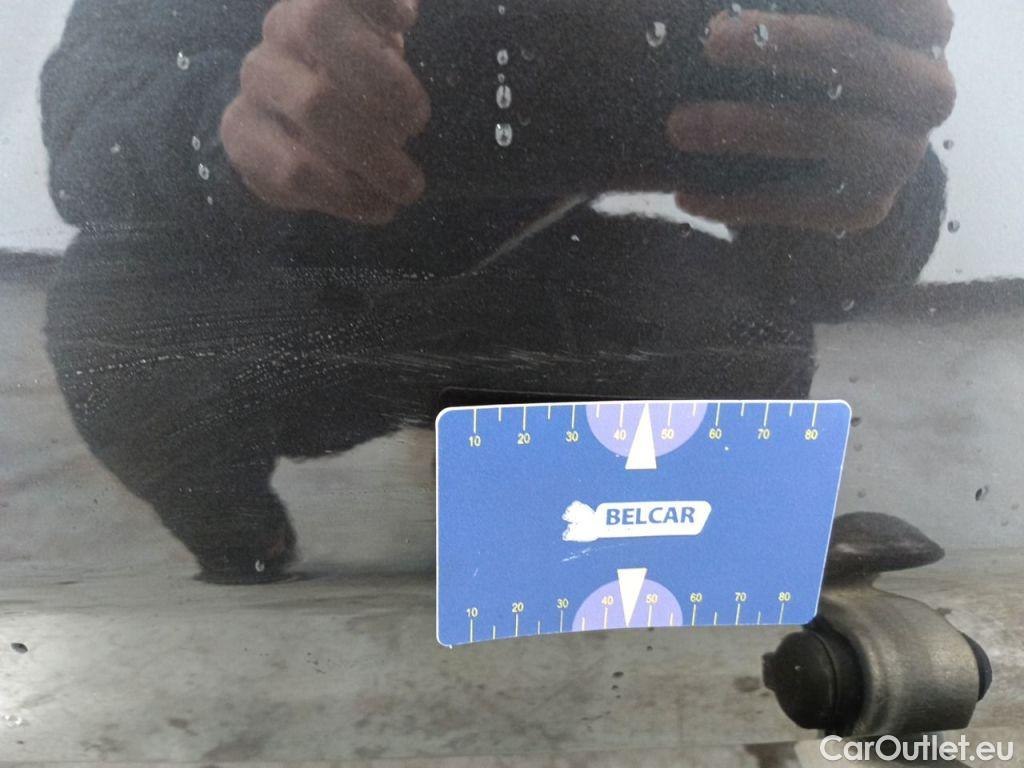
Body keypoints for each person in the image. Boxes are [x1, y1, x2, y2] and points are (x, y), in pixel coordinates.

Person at [41, 0, 955, 582]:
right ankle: (242, 525)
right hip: (314, 276)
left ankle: (254, 536)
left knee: (741, 333)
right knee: (118, 319)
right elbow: (85, 120)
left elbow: (829, 276)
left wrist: (868, 168)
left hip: (490, 279)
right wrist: (234, 126)